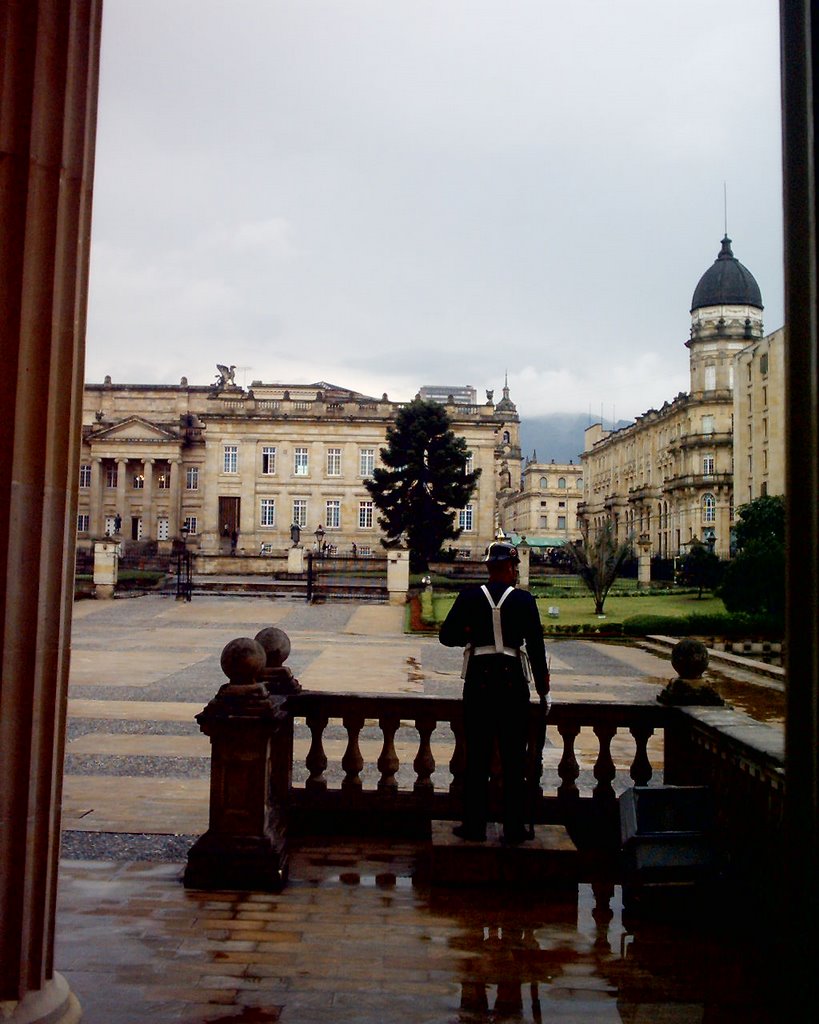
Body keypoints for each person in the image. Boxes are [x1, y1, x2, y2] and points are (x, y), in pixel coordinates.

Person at [439, 541, 550, 844]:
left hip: (479, 684)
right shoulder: (525, 601)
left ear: (489, 568)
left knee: (477, 758)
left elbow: (446, 636)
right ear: (507, 568)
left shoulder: (470, 598)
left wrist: (472, 632)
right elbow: (537, 649)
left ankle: (474, 827)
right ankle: (513, 828)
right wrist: (543, 687)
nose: (515, 572)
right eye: (514, 567)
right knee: (515, 760)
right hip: (513, 685)